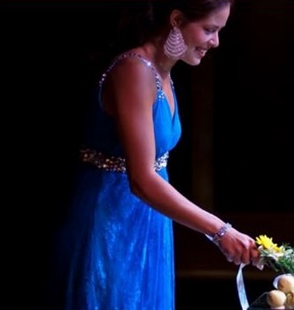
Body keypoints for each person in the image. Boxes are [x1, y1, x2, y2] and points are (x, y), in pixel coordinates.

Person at [52, 1, 260, 309]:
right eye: (209, 30)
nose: (215, 42)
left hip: (148, 224)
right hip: (111, 225)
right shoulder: (134, 70)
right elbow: (142, 179)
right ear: (176, 19)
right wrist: (220, 231)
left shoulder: (162, 71)